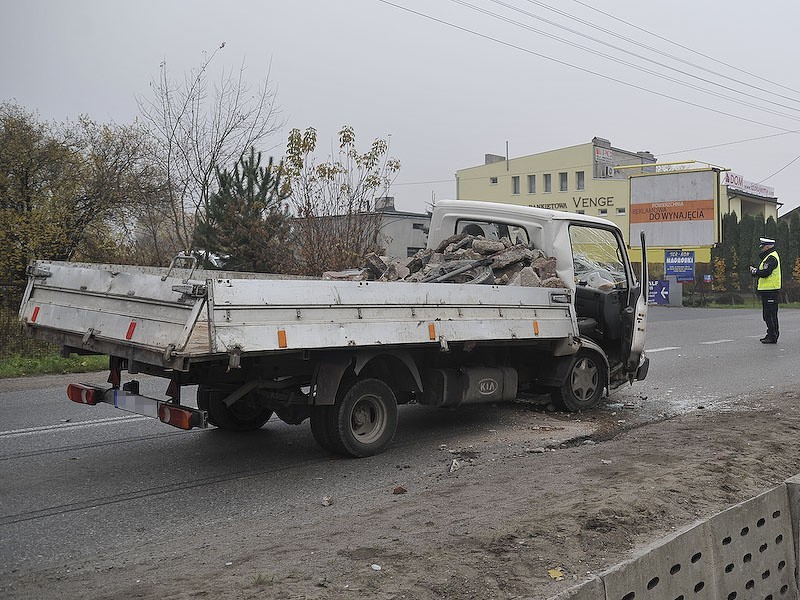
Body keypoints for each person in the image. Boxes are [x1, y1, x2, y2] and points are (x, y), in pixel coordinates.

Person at [750, 237, 781, 344]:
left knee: (770, 315)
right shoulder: (768, 257)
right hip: (767, 290)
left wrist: (756, 271)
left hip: (771, 290)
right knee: (767, 314)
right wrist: (756, 271)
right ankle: (770, 334)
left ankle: (773, 336)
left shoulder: (771, 258)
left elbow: (766, 272)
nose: (762, 249)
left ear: (768, 246)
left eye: (763, 246)